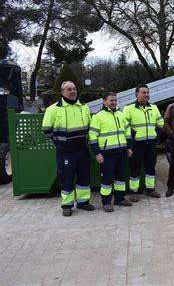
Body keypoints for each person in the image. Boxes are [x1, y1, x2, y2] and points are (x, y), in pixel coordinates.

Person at [42, 81, 95, 216]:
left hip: (82, 149)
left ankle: (83, 202)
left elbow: (89, 126)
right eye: (69, 89)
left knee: (84, 176)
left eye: (74, 89)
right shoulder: (53, 109)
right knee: (66, 178)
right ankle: (67, 205)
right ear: (62, 92)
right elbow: (46, 129)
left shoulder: (84, 107)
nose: (72, 91)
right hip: (65, 151)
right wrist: (59, 141)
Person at [89, 93, 134, 212]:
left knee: (121, 177)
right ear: (104, 101)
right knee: (107, 179)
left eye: (115, 100)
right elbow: (92, 136)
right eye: (111, 100)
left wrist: (129, 147)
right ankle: (106, 202)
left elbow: (127, 132)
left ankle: (120, 199)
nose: (113, 102)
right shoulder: (98, 117)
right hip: (107, 154)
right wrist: (97, 153)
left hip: (122, 152)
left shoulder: (121, 115)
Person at [123, 84, 163, 201]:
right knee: (135, 168)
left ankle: (150, 189)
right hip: (136, 145)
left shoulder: (154, 108)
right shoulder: (129, 108)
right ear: (137, 94)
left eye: (147, 92)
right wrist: (133, 137)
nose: (146, 95)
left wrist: (155, 134)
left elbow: (160, 123)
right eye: (143, 92)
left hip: (150, 144)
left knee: (151, 167)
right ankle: (133, 192)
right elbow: (125, 126)